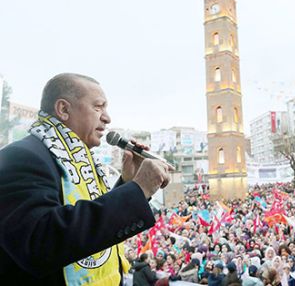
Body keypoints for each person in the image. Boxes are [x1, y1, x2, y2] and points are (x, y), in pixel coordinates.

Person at [0, 73, 171, 285]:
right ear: (63, 109)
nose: (107, 118)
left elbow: (84, 221)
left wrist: (127, 183)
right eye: (98, 107)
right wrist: (138, 189)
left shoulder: (82, 159)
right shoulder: (22, 157)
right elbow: (40, 242)